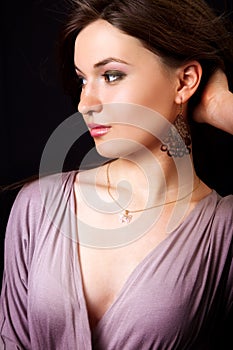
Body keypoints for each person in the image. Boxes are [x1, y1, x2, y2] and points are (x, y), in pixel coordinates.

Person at [0, 0, 233, 349]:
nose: (85, 103)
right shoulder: (38, 206)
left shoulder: (223, 230)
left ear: (185, 81)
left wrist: (222, 107)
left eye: (111, 75)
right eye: (82, 80)